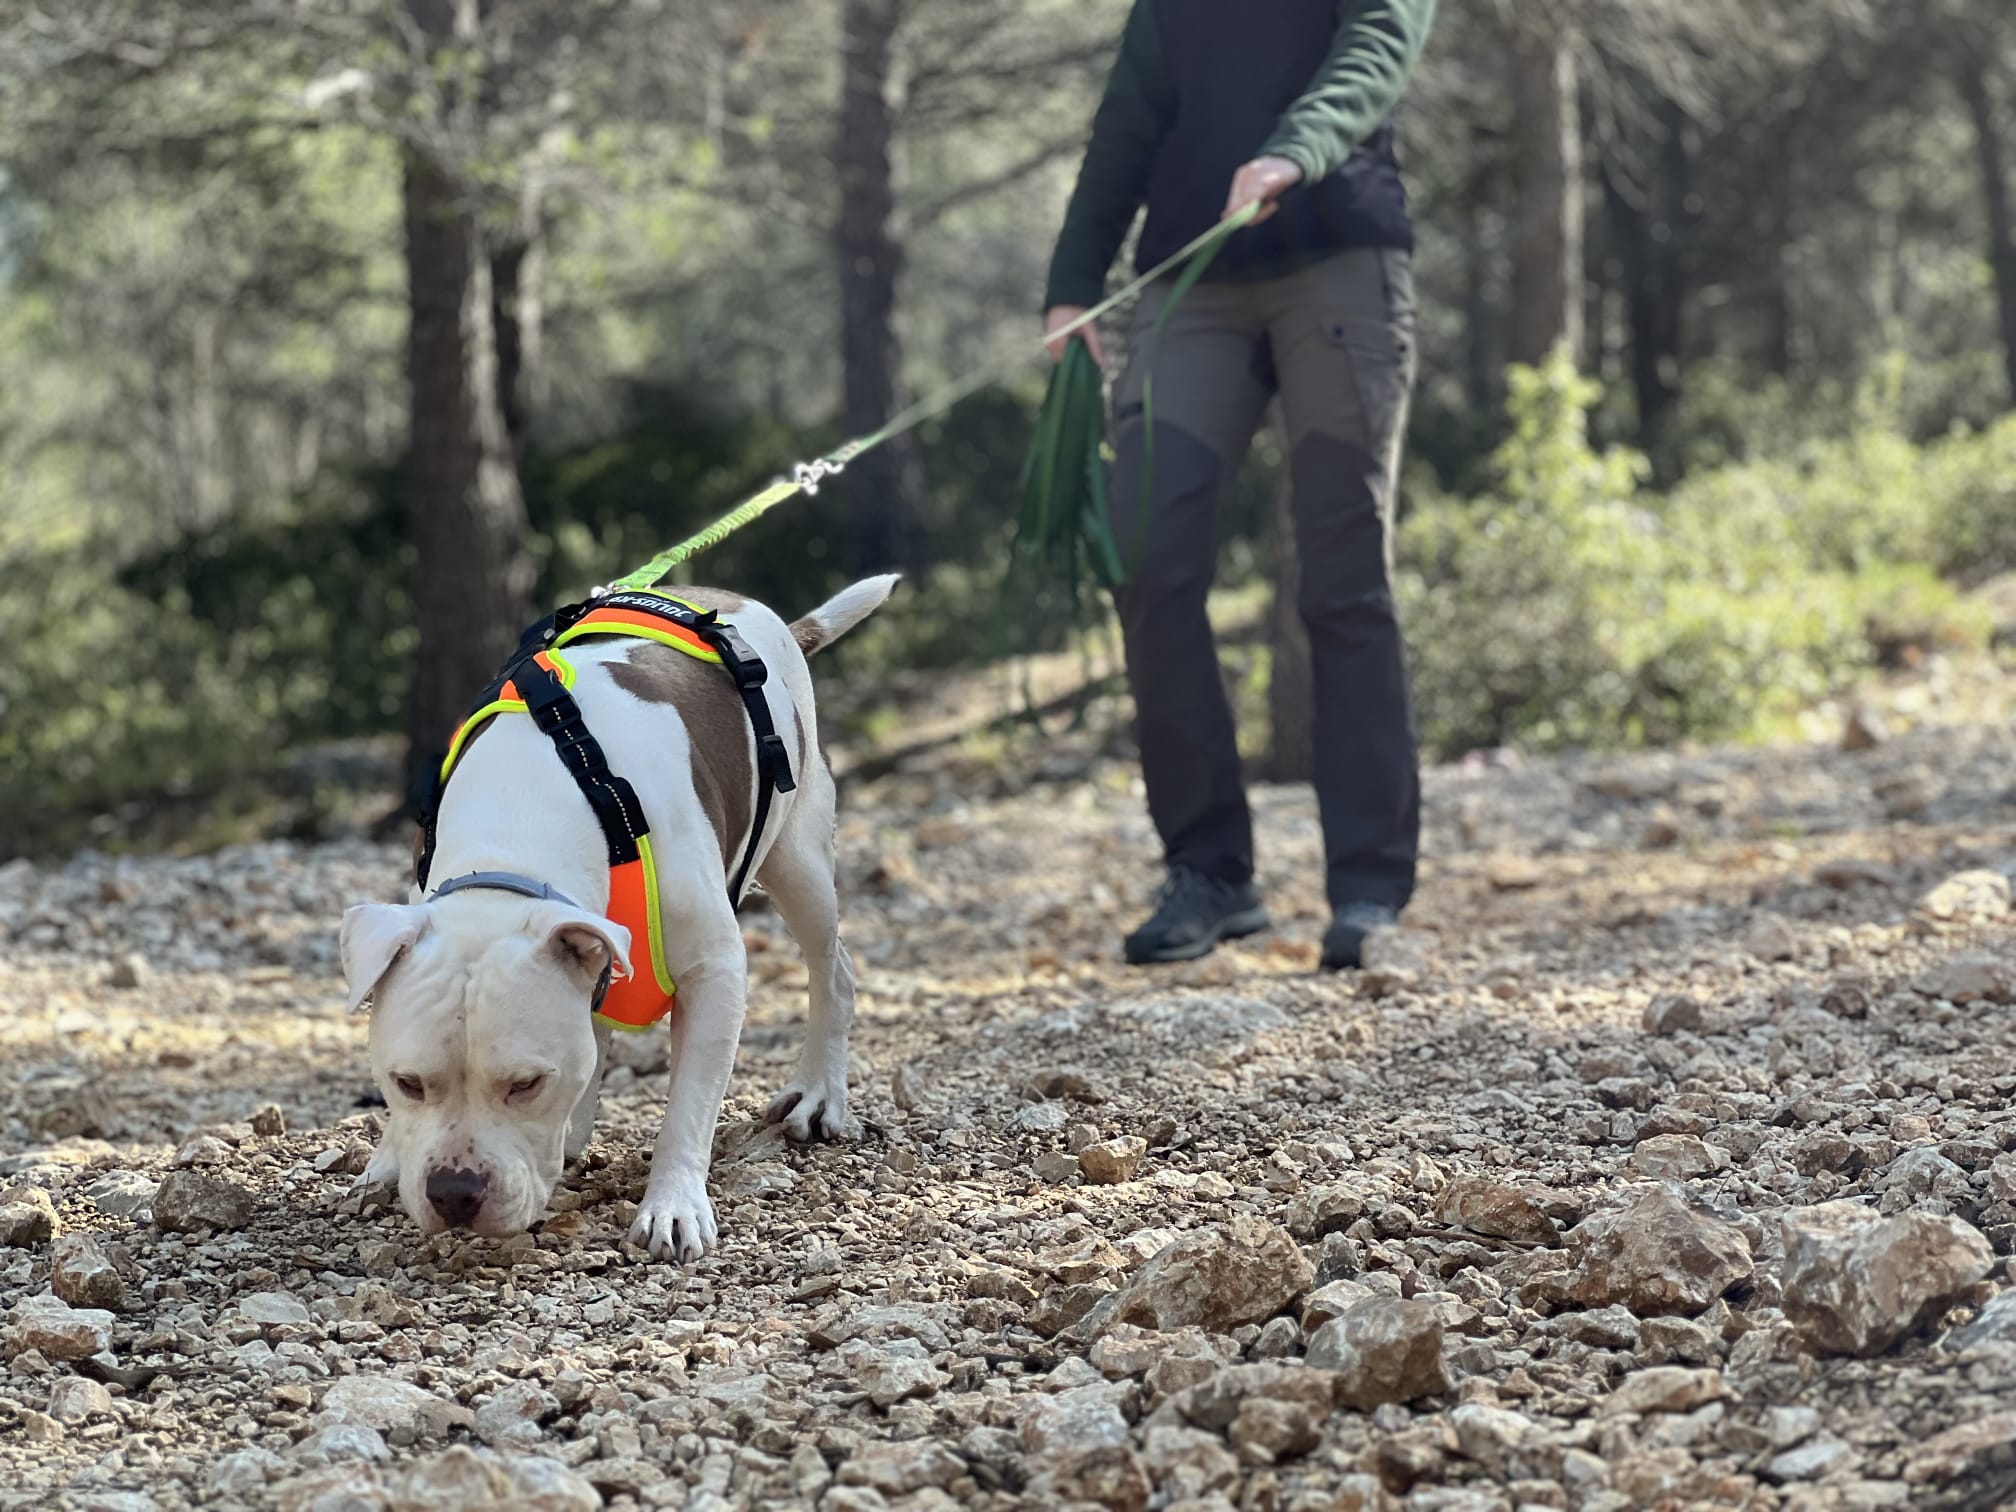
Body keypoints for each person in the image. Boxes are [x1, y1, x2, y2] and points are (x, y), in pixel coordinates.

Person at [1042, 0, 1439, 971]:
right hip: (1196, 279)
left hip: (1339, 253)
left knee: (1343, 579)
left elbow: (1381, 42)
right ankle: (1211, 871)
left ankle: (1370, 890)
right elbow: (1126, 123)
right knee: (1147, 559)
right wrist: (1072, 278)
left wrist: (1295, 151)